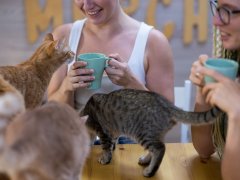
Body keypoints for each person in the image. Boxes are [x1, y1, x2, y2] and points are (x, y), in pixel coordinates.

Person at [47, 0, 174, 143]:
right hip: (78, 149)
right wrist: (66, 87)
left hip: (133, 151)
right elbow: (52, 113)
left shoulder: (153, 41)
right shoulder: (63, 36)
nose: (87, 5)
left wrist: (131, 82)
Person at [189, 0, 240, 179]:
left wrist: (237, 114)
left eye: (229, 11)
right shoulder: (232, 59)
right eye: (217, 8)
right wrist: (203, 93)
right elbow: (204, 149)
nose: (216, 21)